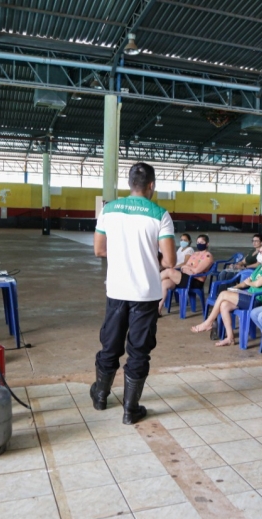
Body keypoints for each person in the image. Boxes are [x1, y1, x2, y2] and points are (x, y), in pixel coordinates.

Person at [91, 162, 176, 425]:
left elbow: (99, 250)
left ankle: (101, 396)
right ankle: (130, 409)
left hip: (116, 290)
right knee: (139, 350)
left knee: (110, 344)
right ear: (151, 186)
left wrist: (123, 254)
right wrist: (150, 257)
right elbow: (170, 261)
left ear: (129, 184)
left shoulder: (109, 209)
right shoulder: (160, 214)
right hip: (146, 294)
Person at [191, 244, 262, 346]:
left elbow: (258, 283)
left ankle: (208, 323)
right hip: (249, 296)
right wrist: (237, 287)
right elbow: (246, 282)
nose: (260, 254)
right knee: (224, 304)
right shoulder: (259, 267)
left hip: (258, 300)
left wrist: (249, 282)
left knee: (223, 294)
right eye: (260, 252)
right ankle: (230, 338)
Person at [158, 234, 214, 313]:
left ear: (207, 244)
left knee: (169, 271)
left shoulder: (208, 256)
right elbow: (184, 267)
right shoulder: (195, 254)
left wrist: (189, 269)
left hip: (195, 281)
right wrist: (189, 269)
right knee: (165, 283)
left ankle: (152, 283)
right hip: (185, 278)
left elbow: (196, 271)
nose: (199, 244)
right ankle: (158, 310)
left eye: (202, 242)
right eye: (198, 242)